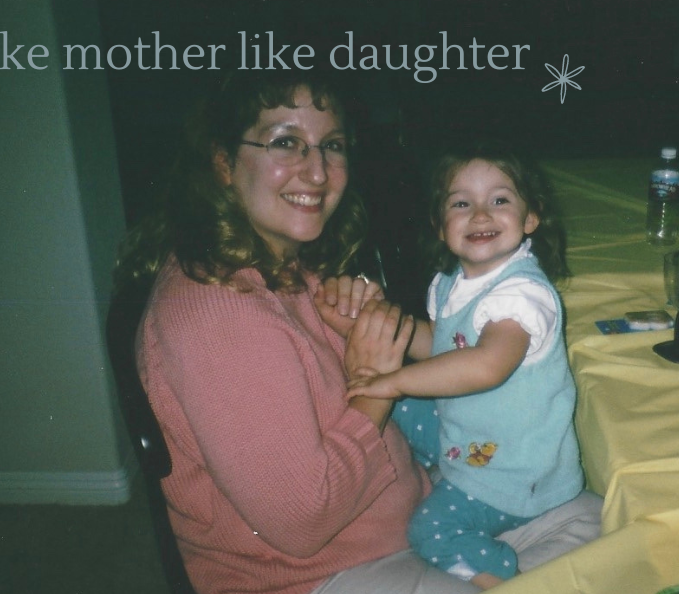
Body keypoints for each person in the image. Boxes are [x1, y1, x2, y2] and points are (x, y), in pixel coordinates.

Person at [114, 72, 484, 594]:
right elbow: (302, 521)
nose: (317, 172)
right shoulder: (219, 315)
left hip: (392, 517)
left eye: (331, 146)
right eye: (286, 142)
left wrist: (354, 330)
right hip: (312, 576)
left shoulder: (272, 260)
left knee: (584, 513)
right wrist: (376, 380)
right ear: (222, 162)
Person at [346, 142, 602, 589]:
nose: (480, 215)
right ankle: (432, 466)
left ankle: (502, 576)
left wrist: (393, 381)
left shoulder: (521, 296)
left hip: (517, 471)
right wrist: (377, 326)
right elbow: (439, 345)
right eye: (461, 203)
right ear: (439, 223)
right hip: (474, 431)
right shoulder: (450, 282)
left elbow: (485, 366)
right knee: (402, 407)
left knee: (430, 532)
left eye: (499, 200)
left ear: (530, 218)